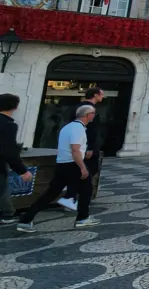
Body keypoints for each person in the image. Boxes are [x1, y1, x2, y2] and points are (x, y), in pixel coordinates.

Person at [17, 104, 100, 232]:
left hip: (62, 164)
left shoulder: (67, 127)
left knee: (51, 193)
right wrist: (83, 167)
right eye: (93, 113)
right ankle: (82, 218)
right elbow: (75, 150)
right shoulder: (78, 129)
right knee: (86, 190)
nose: (94, 115)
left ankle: (26, 219)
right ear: (87, 115)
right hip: (73, 164)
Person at [60, 87, 104, 212]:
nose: (103, 97)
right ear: (96, 95)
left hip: (76, 145)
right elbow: (91, 130)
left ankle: (73, 198)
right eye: (101, 94)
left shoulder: (76, 107)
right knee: (86, 173)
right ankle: (72, 199)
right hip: (85, 146)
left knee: (81, 173)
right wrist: (90, 148)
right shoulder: (89, 110)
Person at [0, 94, 33, 226]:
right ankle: (6, 214)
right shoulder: (8, 125)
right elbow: (9, 150)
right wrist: (22, 171)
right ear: (15, 107)